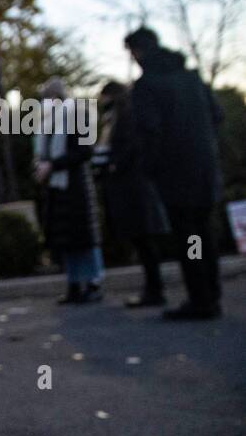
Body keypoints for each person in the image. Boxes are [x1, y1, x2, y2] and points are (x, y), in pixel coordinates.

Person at [125, 26, 225, 320]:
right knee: (205, 234)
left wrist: (151, 167)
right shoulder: (191, 78)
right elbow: (217, 115)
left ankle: (200, 298)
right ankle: (210, 293)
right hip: (204, 166)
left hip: (176, 174)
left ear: (139, 51)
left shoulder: (148, 86)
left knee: (190, 238)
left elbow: (149, 131)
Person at [98, 81, 170, 306]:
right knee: (143, 239)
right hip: (130, 185)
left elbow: (129, 147)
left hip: (132, 186)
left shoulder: (126, 117)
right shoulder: (117, 117)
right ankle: (155, 287)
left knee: (145, 239)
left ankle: (156, 289)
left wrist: (114, 164)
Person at [35, 78, 104, 304]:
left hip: (76, 185)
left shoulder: (77, 116)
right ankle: (74, 284)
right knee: (67, 239)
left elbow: (84, 151)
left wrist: (52, 165)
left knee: (84, 237)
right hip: (58, 186)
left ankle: (93, 282)